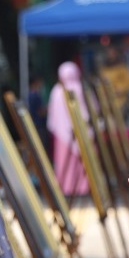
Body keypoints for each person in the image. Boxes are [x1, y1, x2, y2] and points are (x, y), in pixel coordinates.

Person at [46, 61, 90, 197]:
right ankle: (83, 187)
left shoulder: (56, 91)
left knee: (65, 163)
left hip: (61, 135)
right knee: (80, 163)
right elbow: (87, 113)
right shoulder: (80, 89)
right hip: (80, 133)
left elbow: (52, 115)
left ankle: (66, 186)